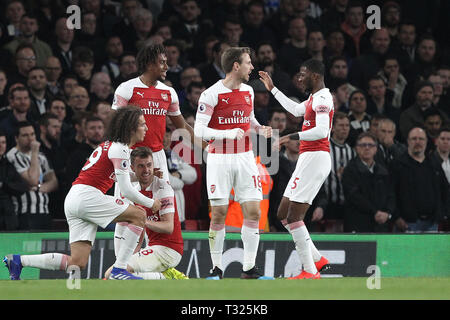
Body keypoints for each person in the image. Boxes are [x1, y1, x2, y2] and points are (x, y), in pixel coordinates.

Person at [4, 106, 161, 281]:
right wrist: (151, 203)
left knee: (77, 262)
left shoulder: (110, 146)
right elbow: (125, 190)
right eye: (142, 124)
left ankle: (18, 261)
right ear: (131, 127)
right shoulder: (120, 148)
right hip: (88, 196)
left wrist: (145, 175)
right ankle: (119, 269)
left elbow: (117, 177)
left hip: (75, 198)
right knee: (139, 215)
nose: (146, 128)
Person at [194, 46, 273, 280]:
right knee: (218, 213)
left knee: (253, 211)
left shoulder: (248, 91)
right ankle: (216, 268)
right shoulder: (211, 94)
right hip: (219, 158)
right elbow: (199, 129)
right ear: (236, 66)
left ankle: (249, 268)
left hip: (245, 157)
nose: (252, 67)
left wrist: (259, 128)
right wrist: (227, 134)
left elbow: (248, 119)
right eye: (248, 63)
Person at [259, 58, 333, 279]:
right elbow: (295, 109)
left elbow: (321, 131)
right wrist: (272, 90)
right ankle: (317, 258)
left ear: (316, 76)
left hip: (316, 157)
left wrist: (288, 137)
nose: (300, 79)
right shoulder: (313, 98)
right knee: (282, 213)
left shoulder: (323, 99)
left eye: (304, 74)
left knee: (294, 217)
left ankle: (310, 271)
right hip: (307, 158)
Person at [104, 147, 187, 280]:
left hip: (169, 250)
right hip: (153, 248)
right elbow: (139, 230)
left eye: (149, 165)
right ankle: (165, 276)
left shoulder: (162, 188)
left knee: (113, 274)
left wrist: (142, 220)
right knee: (113, 274)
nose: (146, 170)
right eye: (141, 166)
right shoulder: (136, 191)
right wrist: (134, 254)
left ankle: (168, 278)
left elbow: (168, 227)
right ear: (132, 168)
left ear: (154, 165)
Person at [390, 127, 448, 232]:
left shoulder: (434, 164)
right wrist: (396, 217)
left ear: (426, 141)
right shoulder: (397, 165)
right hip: (407, 224)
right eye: (414, 139)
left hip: (432, 223)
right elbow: (390, 193)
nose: (418, 142)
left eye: (421, 139)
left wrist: (441, 214)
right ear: (408, 141)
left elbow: (445, 190)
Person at [5, 122, 58, 230]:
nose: (30, 138)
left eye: (32, 134)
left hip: (44, 211)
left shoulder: (41, 156)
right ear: (16, 138)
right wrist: (34, 152)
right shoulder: (13, 156)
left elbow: (54, 182)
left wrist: (39, 188)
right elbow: (32, 180)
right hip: (24, 212)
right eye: (25, 135)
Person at [342, 132, 395, 232]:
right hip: (358, 225)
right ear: (356, 148)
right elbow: (354, 196)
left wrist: (388, 213)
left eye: (370, 145)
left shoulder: (383, 171)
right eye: (362, 145)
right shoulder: (350, 171)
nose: (367, 148)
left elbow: (391, 194)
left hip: (380, 225)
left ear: (376, 149)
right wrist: (374, 212)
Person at [0, 130, 28, 230]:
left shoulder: (8, 165)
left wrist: (3, 185)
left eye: (3, 142)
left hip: (8, 219)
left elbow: (22, 187)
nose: (1, 146)